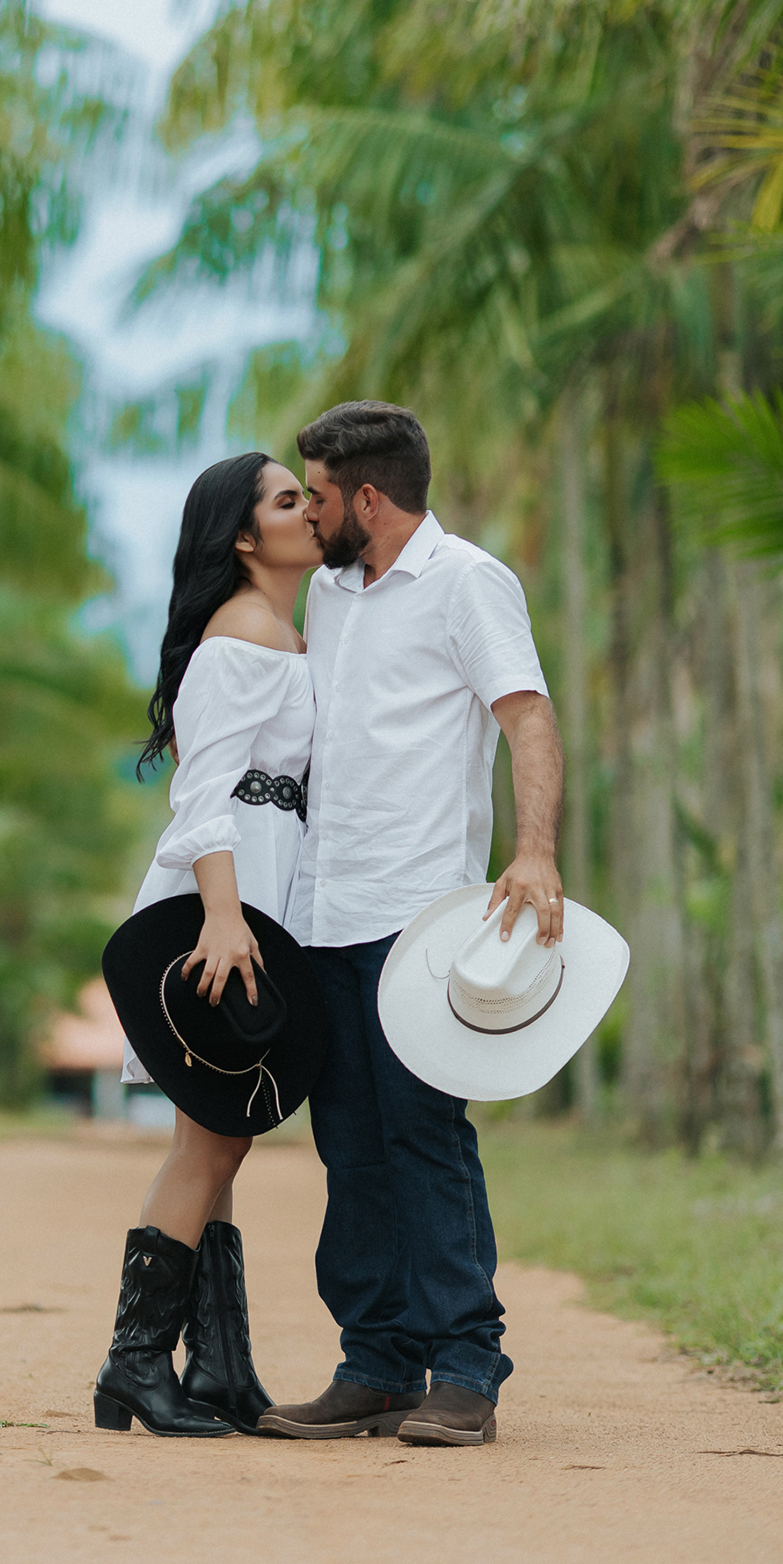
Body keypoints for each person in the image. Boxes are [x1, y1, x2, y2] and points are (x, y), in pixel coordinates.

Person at [258, 400, 565, 1448]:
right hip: (325, 910)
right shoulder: (335, 595)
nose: (309, 512)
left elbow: (526, 712)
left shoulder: (469, 581)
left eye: (322, 494)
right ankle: (377, 1365)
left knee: (423, 1138)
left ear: (371, 498)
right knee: (347, 1144)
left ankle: (466, 1369)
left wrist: (534, 852)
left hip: (419, 913)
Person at [94, 450, 322, 1437]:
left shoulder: (290, 631)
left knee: (223, 1132)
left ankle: (220, 1365)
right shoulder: (237, 640)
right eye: (286, 500)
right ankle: (133, 1368)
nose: (309, 510)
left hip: (265, 891)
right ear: (243, 536)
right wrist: (225, 919)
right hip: (224, 901)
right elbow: (204, 794)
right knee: (214, 1136)